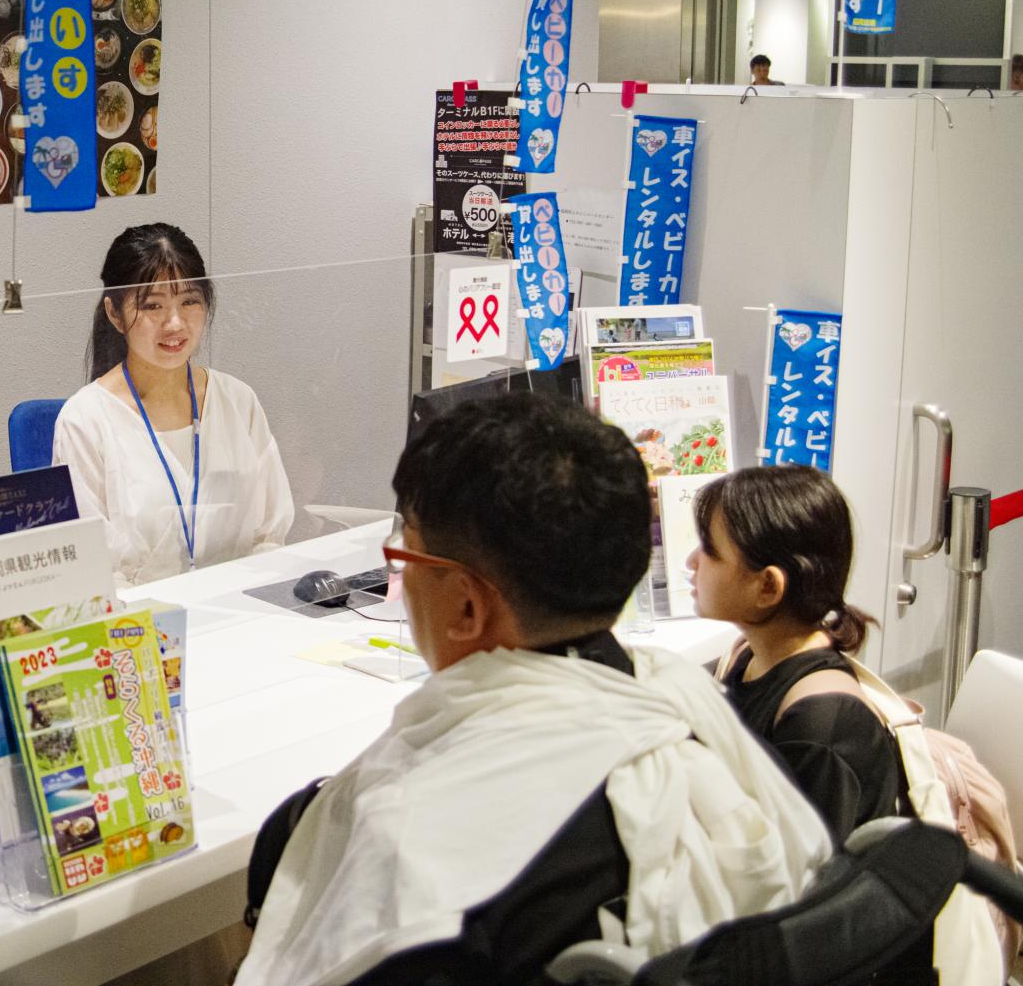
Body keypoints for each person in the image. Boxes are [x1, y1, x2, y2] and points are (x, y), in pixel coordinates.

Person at [236, 394, 831, 986]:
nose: (401, 576)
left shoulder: (416, 845)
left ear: (467, 605)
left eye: (405, 557)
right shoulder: (683, 699)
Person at [50, 224, 293, 587]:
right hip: (138, 627)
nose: (175, 323)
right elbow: (92, 569)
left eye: (189, 301)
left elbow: (269, 537)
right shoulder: (85, 420)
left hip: (241, 613)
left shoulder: (238, 400)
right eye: (152, 306)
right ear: (115, 314)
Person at [685, 466, 900, 839]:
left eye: (709, 550)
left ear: (767, 586)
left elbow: (806, 880)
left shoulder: (822, 722)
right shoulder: (747, 657)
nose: (692, 561)